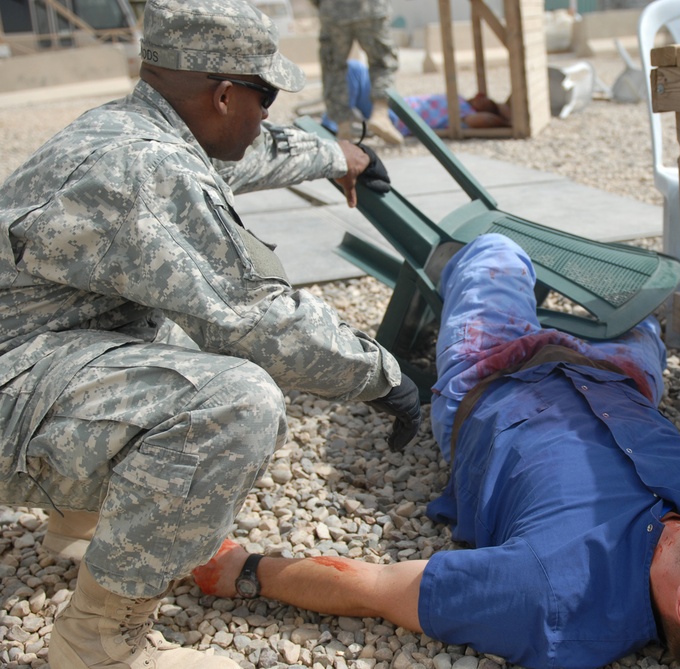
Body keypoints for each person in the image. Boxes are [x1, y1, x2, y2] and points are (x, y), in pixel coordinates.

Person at [193, 234, 680, 669]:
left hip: (489, 381)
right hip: (620, 382)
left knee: (496, 250)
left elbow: (373, 586)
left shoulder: (550, 597)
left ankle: (460, 279)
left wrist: (244, 570)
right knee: (643, 306)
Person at [0, 1, 422, 667]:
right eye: (266, 96)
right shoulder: (147, 168)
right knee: (236, 400)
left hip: (25, 363)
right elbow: (259, 318)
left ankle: (76, 524)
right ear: (225, 93)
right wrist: (383, 374)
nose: (265, 115)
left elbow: (243, 157)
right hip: (12, 397)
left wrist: (337, 154)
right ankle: (98, 646)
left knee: (169, 327)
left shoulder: (128, 128)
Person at [319, 60, 512, 138]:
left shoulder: (464, 114)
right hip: (395, 107)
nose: (480, 96)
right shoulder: (460, 101)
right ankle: (334, 123)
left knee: (355, 68)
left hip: (397, 117)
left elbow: (485, 121)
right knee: (353, 71)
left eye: (486, 102)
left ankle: (332, 125)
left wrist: (506, 120)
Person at [314, 0, 405, 145]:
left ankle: (343, 127)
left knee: (333, 67)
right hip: (371, 7)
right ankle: (380, 113)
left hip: (333, 10)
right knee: (382, 62)